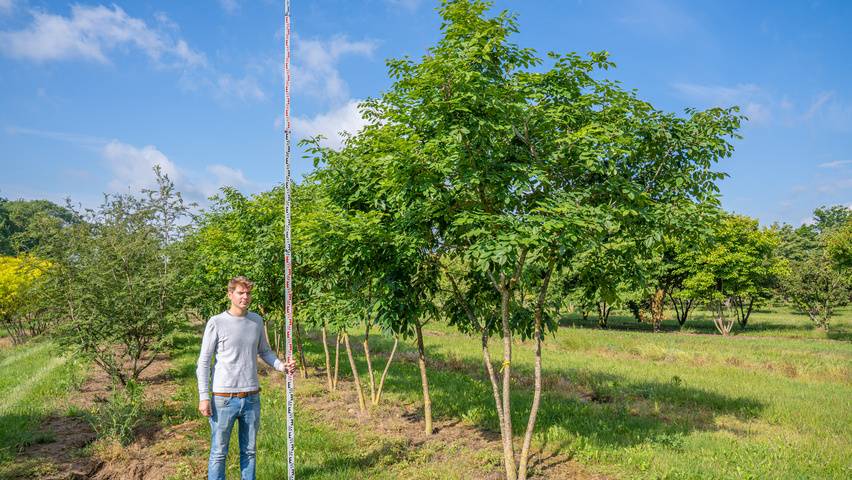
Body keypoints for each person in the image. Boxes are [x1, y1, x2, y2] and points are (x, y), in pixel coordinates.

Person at [197, 276, 296, 480]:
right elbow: (204, 362)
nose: (245, 297)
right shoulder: (216, 322)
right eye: (241, 293)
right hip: (223, 399)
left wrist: (282, 366)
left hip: (251, 398)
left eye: (248, 293)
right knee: (218, 453)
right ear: (230, 295)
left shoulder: (256, 320)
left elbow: (265, 351)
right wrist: (203, 396)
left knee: (249, 452)